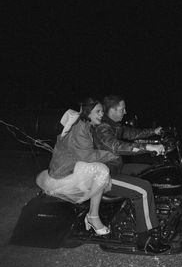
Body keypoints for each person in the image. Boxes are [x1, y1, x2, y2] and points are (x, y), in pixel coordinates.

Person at [93, 94, 170, 253]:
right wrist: (147, 148)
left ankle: (145, 212)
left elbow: (133, 134)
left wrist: (154, 131)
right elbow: (116, 146)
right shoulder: (103, 127)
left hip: (114, 167)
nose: (125, 111)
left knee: (151, 171)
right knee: (143, 189)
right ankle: (146, 239)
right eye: (122, 108)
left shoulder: (114, 125)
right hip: (102, 176)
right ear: (112, 110)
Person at [36, 98, 119, 235]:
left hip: (68, 166)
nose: (101, 115)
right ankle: (93, 217)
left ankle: (89, 208)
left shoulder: (84, 124)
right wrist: (110, 154)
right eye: (97, 111)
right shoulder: (80, 127)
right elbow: (87, 156)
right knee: (101, 171)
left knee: (100, 170)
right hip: (65, 171)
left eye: (102, 112)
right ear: (87, 112)